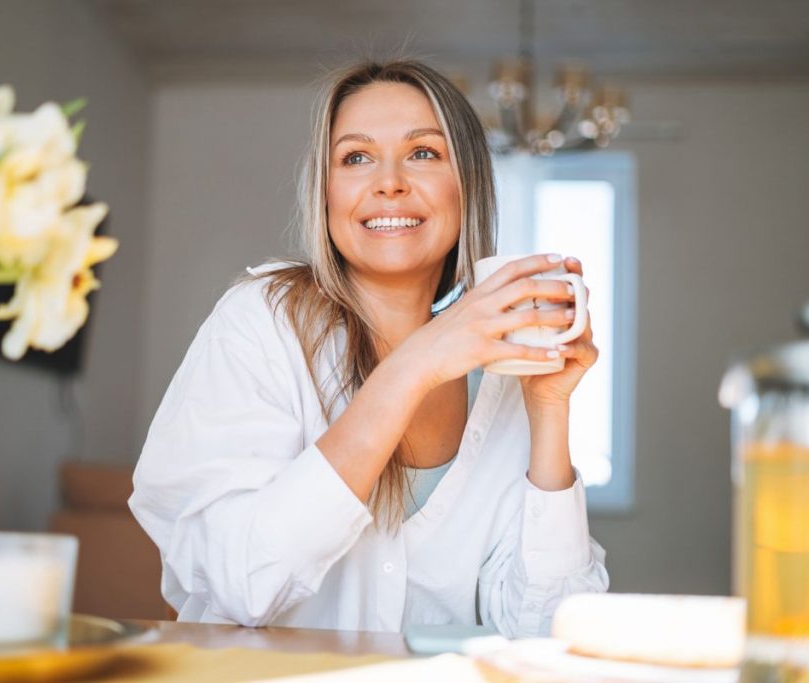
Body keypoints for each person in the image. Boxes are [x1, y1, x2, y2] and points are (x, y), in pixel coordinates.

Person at [129, 59, 609, 636]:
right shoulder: (261, 322)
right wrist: (416, 365)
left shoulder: (500, 368)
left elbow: (546, 628)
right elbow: (240, 584)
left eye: (424, 153)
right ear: (326, 191)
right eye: (356, 157)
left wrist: (549, 410)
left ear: (468, 185)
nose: (389, 182)